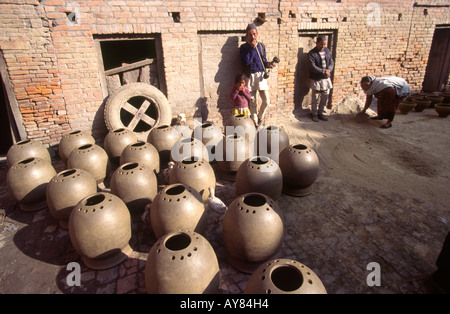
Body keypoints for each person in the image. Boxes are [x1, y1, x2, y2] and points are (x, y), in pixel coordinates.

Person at [240, 23, 276, 126]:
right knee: (253, 102)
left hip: (261, 76)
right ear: (247, 36)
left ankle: (260, 118)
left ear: (257, 34)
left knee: (266, 101)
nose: (252, 36)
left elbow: (263, 61)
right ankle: (254, 122)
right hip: (250, 76)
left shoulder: (261, 46)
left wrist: (269, 64)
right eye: (250, 34)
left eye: (254, 34)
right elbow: (246, 62)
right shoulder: (244, 47)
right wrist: (252, 48)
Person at [308, 35, 334, 122]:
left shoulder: (327, 51)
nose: (323, 46)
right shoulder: (312, 53)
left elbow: (331, 61)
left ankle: (321, 113)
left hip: (325, 78)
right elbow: (312, 67)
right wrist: (323, 71)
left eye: (324, 44)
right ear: (317, 43)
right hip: (316, 78)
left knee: (324, 97)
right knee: (315, 97)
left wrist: (329, 69)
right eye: (321, 44)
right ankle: (314, 114)